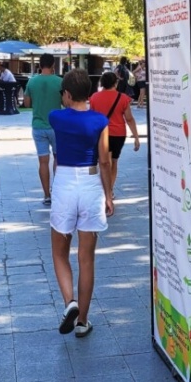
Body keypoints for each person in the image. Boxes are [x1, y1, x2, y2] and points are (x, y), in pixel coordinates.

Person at [48, 69, 114, 338]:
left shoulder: (56, 117)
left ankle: (69, 302)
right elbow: (105, 160)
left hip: (64, 181)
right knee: (86, 259)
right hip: (91, 182)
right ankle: (83, 322)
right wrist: (109, 195)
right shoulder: (100, 121)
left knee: (59, 252)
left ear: (66, 93)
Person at [89, 71, 140, 195]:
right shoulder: (123, 98)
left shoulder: (94, 97)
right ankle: (110, 189)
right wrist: (136, 137)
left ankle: (104, 189)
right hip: (118, 134)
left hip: (100, 133)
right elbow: (129, 119)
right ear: (115, 83)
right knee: (114, 161)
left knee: (103, 161)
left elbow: (91, 117)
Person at [24, 53, 63, 204]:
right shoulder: (60, 81)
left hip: (38, 126)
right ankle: (57, 191)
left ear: (39, 65)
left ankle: (47, 195)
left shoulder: (32, 81)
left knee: (43, 162)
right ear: (53, 65)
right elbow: (65, 102)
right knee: (58, 159)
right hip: (56, 126)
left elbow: (27, 104)